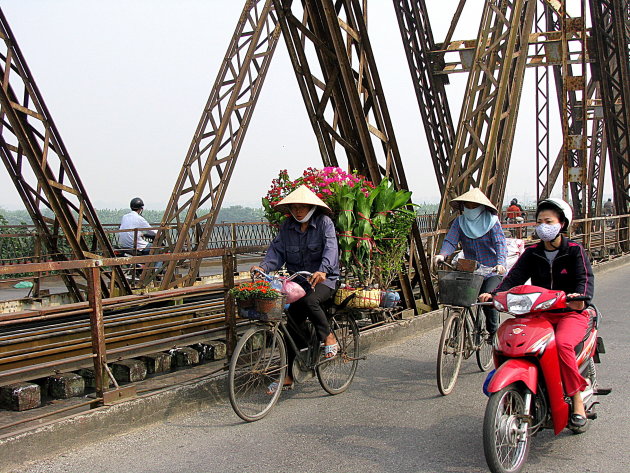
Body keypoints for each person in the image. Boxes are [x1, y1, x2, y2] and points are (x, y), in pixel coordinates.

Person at [479, 197, 594, 428]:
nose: (543, 225)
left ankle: (576, 398)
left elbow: (585, 280)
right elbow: (514, 278)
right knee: (515, 338)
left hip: (570, 312)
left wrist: (579, 297)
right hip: (540, 312)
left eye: (548, 221)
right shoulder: (533, 252)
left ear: (561, 223)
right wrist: (494, 294)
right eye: (539, 221)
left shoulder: (574, 250)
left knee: (562, 344)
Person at [251, 185, 340, 391]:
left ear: (311, 207)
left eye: (302, 207)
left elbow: (331, 248)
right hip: (297, 282)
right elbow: (277, 251)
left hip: (324, 280)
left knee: (311, 300)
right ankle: (290, 374)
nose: (298, 211)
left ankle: (328, 336)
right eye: (294, 207)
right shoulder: (287, 226)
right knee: (290, 324)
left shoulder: (324, 223)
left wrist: (324, 269)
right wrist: (263, 267)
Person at [433, 188, 508, 338]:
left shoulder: (491, 222)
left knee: (487, 299)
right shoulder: (460, 222)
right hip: (471, 270)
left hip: (491, 270)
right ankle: (458, 331)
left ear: (482, 207)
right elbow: (450, 241)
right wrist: (442, 254)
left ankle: (493, 333)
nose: (470, 209)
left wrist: (500, 263)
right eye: (467, 205)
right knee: (459, 299)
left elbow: (500, 243)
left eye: (474, 206)